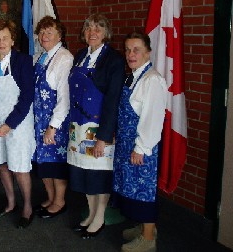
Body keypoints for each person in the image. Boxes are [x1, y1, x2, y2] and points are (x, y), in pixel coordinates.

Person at [67, 14, 125, 239]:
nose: (93, 32)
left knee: (99, 174)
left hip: (99, 128)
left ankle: (99, 217)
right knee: (84, 173)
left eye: (98, 28)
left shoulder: (114, 60)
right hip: (78, 128)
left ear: (106, 33)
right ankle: (91, 214)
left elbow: (112, 100)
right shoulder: (81, 55)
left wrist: (103, 137)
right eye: (89, 28)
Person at [113, 32, 167, 252]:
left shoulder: (152, 80)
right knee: (133, 190)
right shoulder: (134, 76)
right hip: (128, 145)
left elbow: (152, 119)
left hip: (141, 148)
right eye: (127, 50)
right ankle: (143, 227)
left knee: (144, 192)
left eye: (136, 49)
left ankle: (148, 239)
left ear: (148, 52)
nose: (130, 54)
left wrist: (141, 148)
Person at [0, 20, 35, 229]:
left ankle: (28, 207)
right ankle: (11, 203)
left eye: (5, 38)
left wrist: (9, 125)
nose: (1, 42)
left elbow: (27, 96)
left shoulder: (23, 62)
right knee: (3, 164)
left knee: (20, 167)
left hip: (18, 124)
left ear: (13, 40)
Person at [32, 16, 73, 219]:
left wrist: (53, 126)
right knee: (43, 162)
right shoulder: (42, 56)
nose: (44, 36)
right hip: (39, 121)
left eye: (49, 32)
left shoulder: (64, 58)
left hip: (54, 122)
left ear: (59, 35)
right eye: (42, 32)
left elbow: (64, 99)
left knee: (56, 162)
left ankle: (60, 201)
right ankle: (50, 197)